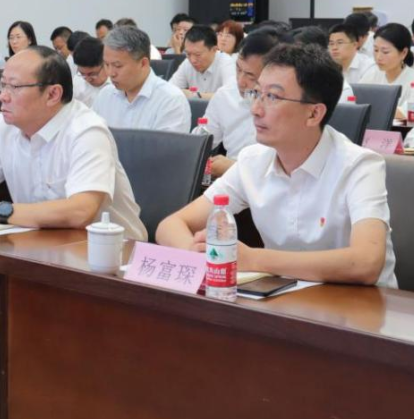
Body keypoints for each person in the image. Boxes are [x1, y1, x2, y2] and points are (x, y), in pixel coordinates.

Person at [157, 43, 397, 288]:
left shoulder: (360, 166)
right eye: (256, 93)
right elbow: (170, 225)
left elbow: (366, 263)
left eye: (272, 97)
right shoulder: (252, 161)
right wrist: (196, 253)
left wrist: (254, 259)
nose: (255, 109)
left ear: (314, 114)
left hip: (359, 303)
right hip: (285, 299)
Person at [0, 47, 145, 236]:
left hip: (111, 251)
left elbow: (81, 211)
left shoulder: (86, 131)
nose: (3, 96)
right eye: (2, 84)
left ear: (52, 94)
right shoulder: (4, 126)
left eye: (14, 87)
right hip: (38, 243)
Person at [204, 28, 288, 178]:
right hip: (229, 183)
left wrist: (234, 168)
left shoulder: (288, 104)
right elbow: (204, 141)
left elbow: (287, 170)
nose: (240, 81)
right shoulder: (225, 95)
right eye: (238, 69)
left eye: (250, 75)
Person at [93, 26, 191, 133]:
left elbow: (166, 144)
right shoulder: (105, 95)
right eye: (106, 65)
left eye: (118, 66)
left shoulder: (170, 100)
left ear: (143, 64)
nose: (110, 73)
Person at [357, 23, 414, 119]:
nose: (378, 57)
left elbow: (410, 112)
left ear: (403, 53)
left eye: (385, 52)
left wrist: (371, 110)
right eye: (376, 50)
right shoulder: (371, 73)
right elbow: (356, 102)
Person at [169, 24, 236, 98]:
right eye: (188, 54)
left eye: (198, 55)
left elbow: (231, 95)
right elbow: (169, 90)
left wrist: (195, 95)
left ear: (214, 50)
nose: (193, 60)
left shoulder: (226, 63)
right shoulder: (187, 63)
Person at [328, 21, 375, 85]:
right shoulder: (329, 67)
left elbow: (362, 91)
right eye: (331, 43)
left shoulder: (368, 67)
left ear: (355, 45)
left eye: (340, 43)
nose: (334, 47)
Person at [71, 36, 109, 108]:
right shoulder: (77, 83)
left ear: (105, 63)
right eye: (82, 74)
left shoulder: (117, 85)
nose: (88, 79)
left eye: (92, 74)